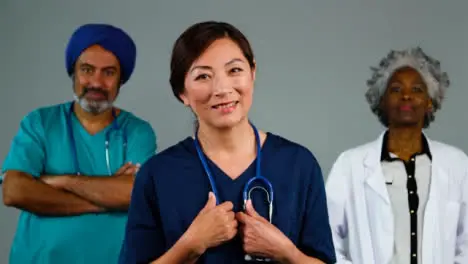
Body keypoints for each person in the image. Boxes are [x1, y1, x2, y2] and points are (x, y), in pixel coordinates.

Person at [118, 21, 336, 264]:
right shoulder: (157, 174)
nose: (222, 88)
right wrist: (191, 245)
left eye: (234, 71)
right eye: (203, 76)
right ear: (182, 93)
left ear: (253, 73)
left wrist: (286, 252)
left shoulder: (298, 165)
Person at [1, 23, 157, 264]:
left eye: (108, 72)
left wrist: (62, 181)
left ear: (120, 80)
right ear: (73, 72)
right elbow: (14, 191)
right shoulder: (41, 123)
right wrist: (106, 201)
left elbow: (135, 193)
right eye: (87, 69)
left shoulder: (137, 132)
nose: (96, 82)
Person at [326, 47, 468, 264]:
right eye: (395, 89)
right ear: (381, 100)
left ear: (430, 101)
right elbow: (325, 237)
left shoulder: (457, 164)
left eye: (418, 89)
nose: (407, 95)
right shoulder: (350, 165)